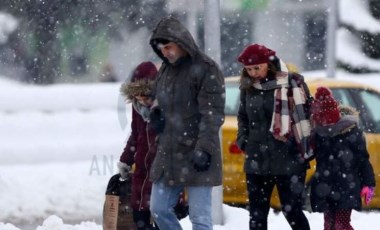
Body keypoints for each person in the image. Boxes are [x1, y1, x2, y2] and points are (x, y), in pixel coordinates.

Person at [148, 16, 225, 230]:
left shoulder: (206, 68)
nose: (166, 52)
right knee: (159, 209)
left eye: (169, 47)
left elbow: (212, 113)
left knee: (199, 218)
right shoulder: (165, 70)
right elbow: (159, 102)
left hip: (197, 150)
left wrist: (204, 149)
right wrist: (155, 115)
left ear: (181, 42)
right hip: (169, 153)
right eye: (162, 49)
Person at [236, 44, 312, 230]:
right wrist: (243, 140)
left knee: (292, 211)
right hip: (257, 159)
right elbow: (243, 116)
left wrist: (297, 147)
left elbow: (306, 115)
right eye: (248, 69)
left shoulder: (292, 83)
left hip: (289, 158)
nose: (253, 73)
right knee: (257, 214)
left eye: (257, 67)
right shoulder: (248, 88)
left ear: (268, 64)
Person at [310, 86, 376, 230]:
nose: (326, 125)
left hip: (347, 186)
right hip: (325, 187)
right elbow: (309, 155)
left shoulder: (352, 132)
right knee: (328, 225)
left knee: (342, 225)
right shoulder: (318, 134)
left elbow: (363, 160)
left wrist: (368, 184)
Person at [118, 61, 159, 230]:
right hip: (141, 170)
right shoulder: (137, 108)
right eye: (137, 96)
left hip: (160, 171)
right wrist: (125, 160)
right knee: (140, 218)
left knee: (161, 216)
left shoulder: (163, 108)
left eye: (145, 95)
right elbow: (135, 135)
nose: (142, 100)